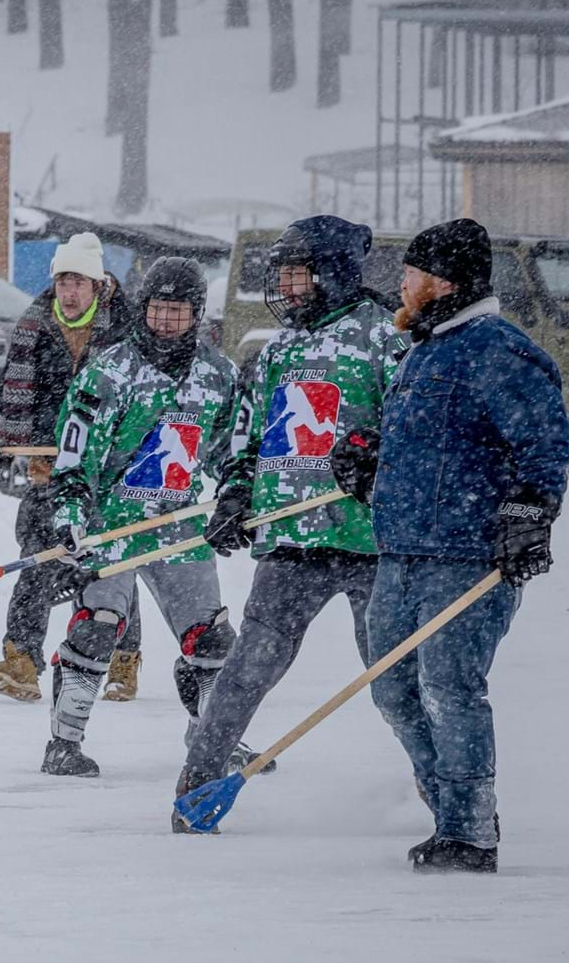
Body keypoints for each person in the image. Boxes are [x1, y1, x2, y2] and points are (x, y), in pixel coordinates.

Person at [337, 219, 569, 872]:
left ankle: (469, 833)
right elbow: (426, 445)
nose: (401, 285)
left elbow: (547, 442)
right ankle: (452, 807)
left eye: (409, 274)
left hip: (465, 558)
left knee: (449, 689)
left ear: (441, 281)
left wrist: (531, 510)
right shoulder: (422, 349)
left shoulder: (496, 349)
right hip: (400, 551)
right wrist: (367, 465)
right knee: (394, 691)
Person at [173, 216, 406, 828]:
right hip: (291, 540)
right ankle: (196, 788)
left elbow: (414, 436)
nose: (285, 288)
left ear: (332, 274)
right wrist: (234, 497)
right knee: (247, 670)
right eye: (280, 275)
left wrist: (375, 459)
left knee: (394, 679)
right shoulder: (277, 351)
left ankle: (451, 802)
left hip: (369, 543)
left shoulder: (385, 340)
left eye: (296, 275)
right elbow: (248, 443)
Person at [35, 258, 240, 777]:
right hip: (112, 521)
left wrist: (241, 493)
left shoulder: (219, 375)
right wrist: (71, 518)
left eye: (178, 311)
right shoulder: (109, 372)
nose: (166, 320)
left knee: (212, 637)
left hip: (176, 521)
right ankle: (64, 741)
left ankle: (212, 738)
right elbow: (73, 459)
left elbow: (227, 450)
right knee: (99, 627)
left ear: (197, 313)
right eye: (157, 308)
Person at [0, 232, 141, 702]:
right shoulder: (35, 324)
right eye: (63, 281)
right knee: (39, 554)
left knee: (111, 561)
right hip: (52, 461)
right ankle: (21, 660)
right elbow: (15, 395)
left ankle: (125, 659)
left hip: (109, 465)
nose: (69, 292)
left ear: (97, 283)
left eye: (78, 282)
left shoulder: (125, 325)